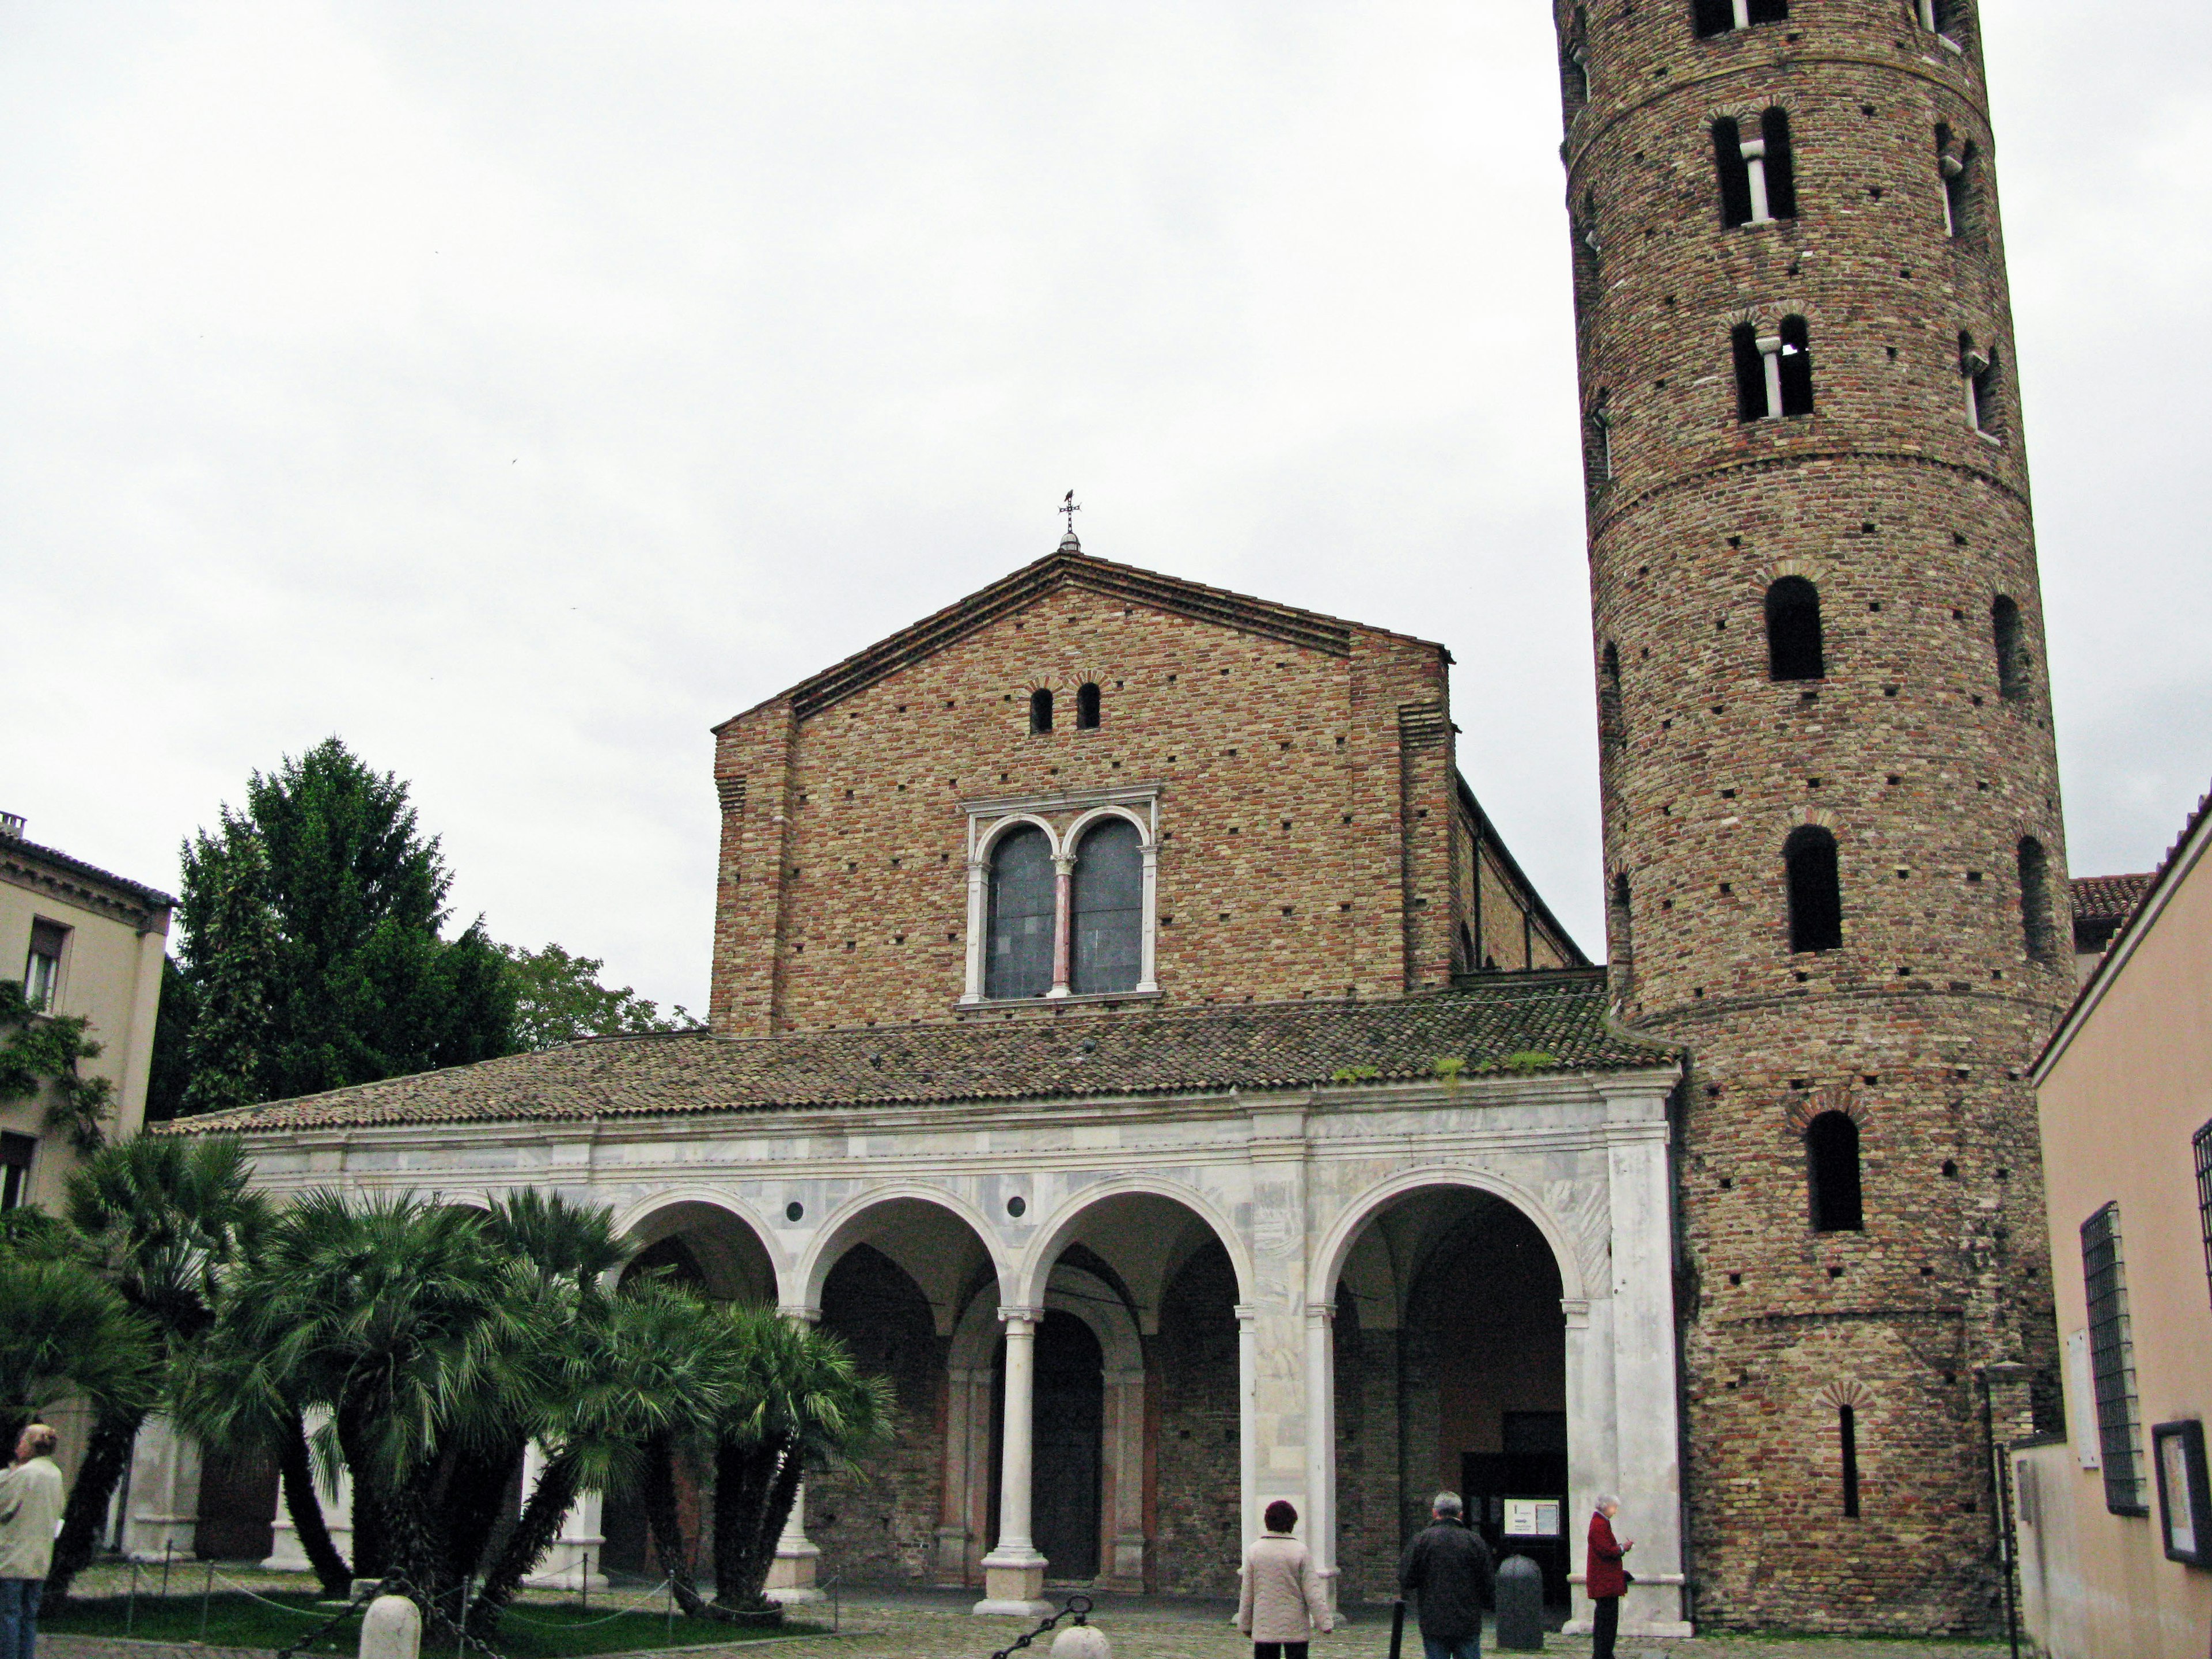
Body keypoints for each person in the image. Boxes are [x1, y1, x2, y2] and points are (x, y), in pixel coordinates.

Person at [1398, 1490, 1494, 1659]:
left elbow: (1406, 1579)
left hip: (1434, 1621)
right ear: (1461, 1515)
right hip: (1467, 1621)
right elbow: (1488, 1584)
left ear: (1435, 1513)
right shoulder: (1475, 1542)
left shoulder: (1421, 1541)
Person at [1237, 1499, 1334, 1659]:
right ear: (1292, 1523)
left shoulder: (1255, 1551)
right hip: (1295, 1626)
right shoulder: (1300, 1551)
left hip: (1265, 1626)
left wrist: (1245, 1624)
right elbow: (1312, 1592)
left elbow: (1248, 1592)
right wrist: (1324, 1622)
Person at [0, 1424, 65, 1659]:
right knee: (28, 1616)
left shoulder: (26, 1474)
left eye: (21, 1442)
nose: (18, 1447)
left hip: (13, 1558)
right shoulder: (54, 1473)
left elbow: (4, 1506)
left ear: (29, 1445)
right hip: (39, 1558)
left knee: (8, 1616)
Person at [1585, 1494, 1632, 1659]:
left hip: (1607, 1582)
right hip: (1604, 1583)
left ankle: (1604, 1653)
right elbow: (1606, 1551)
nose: (1615, 1510)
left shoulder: (1602, 1523)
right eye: (1613, 1507)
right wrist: (1622, 1548)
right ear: (1605, 1507)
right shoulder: (1599, 1525)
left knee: (1608, 1620)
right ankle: (1602, 1654)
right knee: (1606, 1621)